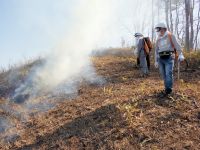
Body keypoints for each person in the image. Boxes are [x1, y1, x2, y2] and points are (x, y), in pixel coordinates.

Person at [154, 23, 185, 97]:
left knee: (168, 73)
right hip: (161, 58)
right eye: (158, 30)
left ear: (164, 28)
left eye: (160, 29)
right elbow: (156, 50)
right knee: (163, 74)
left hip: (169, 57)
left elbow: (177, 45)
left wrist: (180, 54)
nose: (159, 32)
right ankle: (166, 88)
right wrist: (156, 60)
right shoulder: (158, 38)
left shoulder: (171, 36)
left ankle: (169, 90)